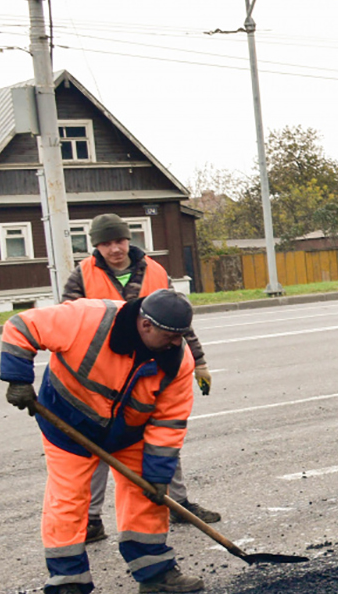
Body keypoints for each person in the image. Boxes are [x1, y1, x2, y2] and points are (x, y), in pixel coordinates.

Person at [1, 290, 205, 594]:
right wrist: (17, 377)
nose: (175, 344)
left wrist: (156, 476)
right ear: (145, 324)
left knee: (148, 496)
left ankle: (154, 571)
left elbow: (168, 423)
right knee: (68, 501)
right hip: (68, 425)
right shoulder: (87, 319)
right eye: (170, 336)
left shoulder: (177, 361)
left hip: (128, 432)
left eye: (180, 337)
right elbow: (21, 326)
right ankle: (68, 586)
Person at [63, 213, 220, 542]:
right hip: (106, 374)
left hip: (152, 369)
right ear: (97, 246)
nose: (115, 248)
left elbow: (180, 320)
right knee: (98, 446)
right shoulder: (82, 275)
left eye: (119, 241)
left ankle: (178, 503)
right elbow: (68, 322)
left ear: (128, 239)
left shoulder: (155, 271)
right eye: (106, 243)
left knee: (163, 436)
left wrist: (199, 361)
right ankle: (91, 520)